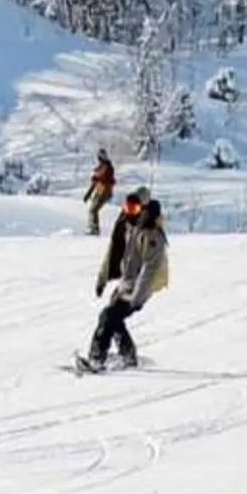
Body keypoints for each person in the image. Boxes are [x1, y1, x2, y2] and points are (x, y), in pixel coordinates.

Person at [79, 195, 168, 374]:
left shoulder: (151, 235)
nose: (130, 212)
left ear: (143, 210)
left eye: (134, 209)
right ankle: (128, 355)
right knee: (113, 318)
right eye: (127, 207)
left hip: (140, 288)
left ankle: (97, 358)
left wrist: (136, 297)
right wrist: (102, 279)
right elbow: (113, 251)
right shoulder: (131, 226)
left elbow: (150, 269)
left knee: (108, 316)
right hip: (127, 284)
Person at [83, 147, 118, 234]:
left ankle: (94, 228)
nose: (100, 159)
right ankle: (92, 227)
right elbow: (95, 183)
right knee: (92, 210)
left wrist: (99, 178)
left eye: (101, 156)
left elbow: (106, 179)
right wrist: (88, 194)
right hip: (99, 192)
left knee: (93, 210)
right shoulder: (100, 168)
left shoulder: (108, 168)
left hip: (104, 192)